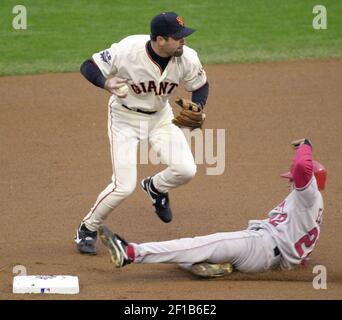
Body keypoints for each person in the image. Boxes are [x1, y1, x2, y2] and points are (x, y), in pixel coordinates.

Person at [74, 12, 209, 255]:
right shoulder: (128, 50)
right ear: (160, 40)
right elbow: (88, 65)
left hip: (161, 118)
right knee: (123, 186)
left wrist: (199, 107)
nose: (183, 41)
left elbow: (200, 86)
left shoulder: (187, 57)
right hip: (124, 118)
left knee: (186, 170)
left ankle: (156, 187)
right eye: (177, 38)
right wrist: (104, 83)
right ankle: (87, 228)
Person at [98, 138, 327, 278]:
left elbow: (301, 166)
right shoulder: (311, 209)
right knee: (191, 253)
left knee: (200, 244)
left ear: (312, 182)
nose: (290, 181)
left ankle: (130, 253)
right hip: (265, 255)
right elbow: (301, 253)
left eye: (293, 179)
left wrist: (306, 147)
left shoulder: (309, 195)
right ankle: (215, 266)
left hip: (259, 247)